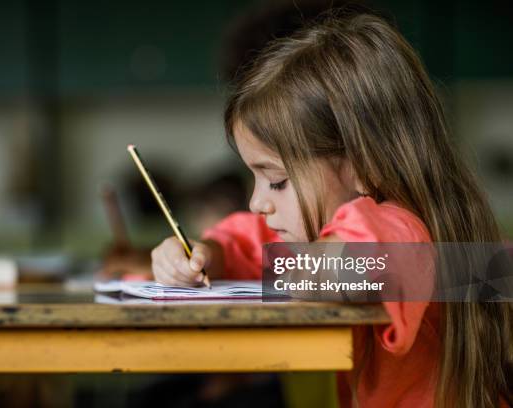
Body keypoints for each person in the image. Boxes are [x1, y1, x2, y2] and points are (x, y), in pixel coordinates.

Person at [150, 11, 513, 408]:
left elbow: (341, 268)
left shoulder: (398, 227)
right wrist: (203, 255)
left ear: (362, 164)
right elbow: (250, 242)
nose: (257, 202)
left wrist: (297, 268)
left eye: (277, 181)